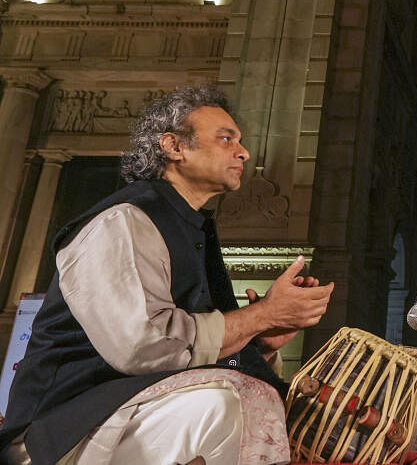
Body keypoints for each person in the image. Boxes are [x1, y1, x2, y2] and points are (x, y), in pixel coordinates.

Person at [0, 86, 334, 465]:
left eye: (239, 142)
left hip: (137, 412)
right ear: (174, 146)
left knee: (251, 396)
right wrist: (261, 315)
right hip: (62, 432)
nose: (243, 152)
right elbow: (142, 348)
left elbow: (183, 347)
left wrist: (257, 341)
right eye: (226, 139)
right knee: (226, 401)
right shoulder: (122, 221)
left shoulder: (191, 228)